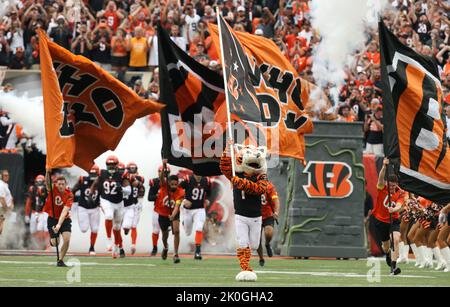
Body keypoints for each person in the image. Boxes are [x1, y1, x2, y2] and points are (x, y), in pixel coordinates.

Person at [91, 155, 132, 259]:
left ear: (117, 165)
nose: (111, 167)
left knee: (117, 227)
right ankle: (109, 238)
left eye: (113, 165)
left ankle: (117, 246)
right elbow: (95, 183)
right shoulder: (102, 173)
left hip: (118, 202)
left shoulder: (122, 174)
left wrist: (122, 188)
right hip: (106, 200)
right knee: (108, 216)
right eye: (109, 165)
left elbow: (129, 190)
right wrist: (92, 194)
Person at [370, 158, 405, 275]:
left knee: (396, 239)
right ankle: (388, 254)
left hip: (393, 220)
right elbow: (380, 178)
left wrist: (393, 209)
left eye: (393, 186)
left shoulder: (400, 192)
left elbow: (400, 205)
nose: (391, 188)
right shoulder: (382, 187)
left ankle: (394, 267)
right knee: (385, 247)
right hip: (380, 221)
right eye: (389, 186)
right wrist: (384, 167)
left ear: (396, 184)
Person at [155, 160, 184, 263]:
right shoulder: (164, 186)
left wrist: (173, 215)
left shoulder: (180, 192)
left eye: (176, 184)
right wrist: (163, 166)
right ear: (168, 183)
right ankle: (166, 247)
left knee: (176, 231)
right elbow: (162, 177)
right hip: (162, 213)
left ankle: (176, 254)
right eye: (172, 184)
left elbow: (177, 205)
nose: (174, 186)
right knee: (164, 235)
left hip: (173, 213)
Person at [43, 174, 74, 267]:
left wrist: (59, 225)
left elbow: (64, 212)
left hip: (64, 219)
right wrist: (47, 171)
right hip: (52, 218)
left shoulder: (69, 194)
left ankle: (60, 260)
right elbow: (47, 183)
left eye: (62, 184)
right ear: (56, 184)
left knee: (67, 239)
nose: (60, 186)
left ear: (65, 184)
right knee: (56, 242)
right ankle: (51, 241)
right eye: (59, 184)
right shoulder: (53, 189)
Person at [180, 173, 211, 260]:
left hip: (199, 208)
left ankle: (197, 251)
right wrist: (184, 199)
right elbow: (178, 190)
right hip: (187, 210)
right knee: (188, 232)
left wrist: (207, 200)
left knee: (199, 227)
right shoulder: (187, 179)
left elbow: (209, 193)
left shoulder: (207, 180)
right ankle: (183, 223)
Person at [72, 165, 101, 256]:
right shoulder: (82, 179)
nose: (92, 175)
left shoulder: (101, 182)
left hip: (95, 208)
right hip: (83, 207)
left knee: (95, 229)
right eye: (91, 173)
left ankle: (92, 247)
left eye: (94, 173)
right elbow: (73, 190)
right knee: (84, 229)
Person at [121, 162, 144, 255]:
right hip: (123, 204)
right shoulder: (123, 178)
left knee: (134, 225)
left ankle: (133, 244)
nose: (132, 171)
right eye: (131, 169)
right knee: (122, 225)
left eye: (134, 169)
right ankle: (120, 244)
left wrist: (140, 201)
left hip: (135, 204)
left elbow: (142, 189)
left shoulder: (139, 179)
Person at [257, 181, 279, 266]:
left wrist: (276, 212)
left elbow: (275, 199)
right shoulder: (250, 185)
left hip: (267, 214)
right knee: (257, 240)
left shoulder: (269, 186)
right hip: (255, 215)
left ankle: (267, 243)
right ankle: (261, 258)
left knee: (269, 233)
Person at [148, 165, 168, 256]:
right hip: (157, 210)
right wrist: (157, 196)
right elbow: (149, 198)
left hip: (168, 211)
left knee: (166, 230)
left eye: (165, 173)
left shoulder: (171, 183)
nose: (163, 174)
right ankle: (155, 248)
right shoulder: (154, 183)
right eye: (161, 172)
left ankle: (165, 247)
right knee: (156, 230)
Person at [24, 174, 48, 249]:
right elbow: (28, 202)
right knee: (32, 230)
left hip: (43, 212)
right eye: (38, 181)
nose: (40, 183)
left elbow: (48, 202)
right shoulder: (32, 189)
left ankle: (44, 245)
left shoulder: (47, 190)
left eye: (41, 182)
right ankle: (36, 244)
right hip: (34, 212)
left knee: (40, 228)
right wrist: (27, 214)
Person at [0, 169, 14, 236]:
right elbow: (2, 199)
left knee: (4, 227)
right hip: (2, 208)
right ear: (1, 176)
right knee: (1, 226)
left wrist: (11, 204)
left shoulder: (5, 185)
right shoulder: (1, 185)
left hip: (5, 208)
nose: (7, 176)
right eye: (5, 175)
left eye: (8, 175)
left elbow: (9, 196)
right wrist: (6, 210)